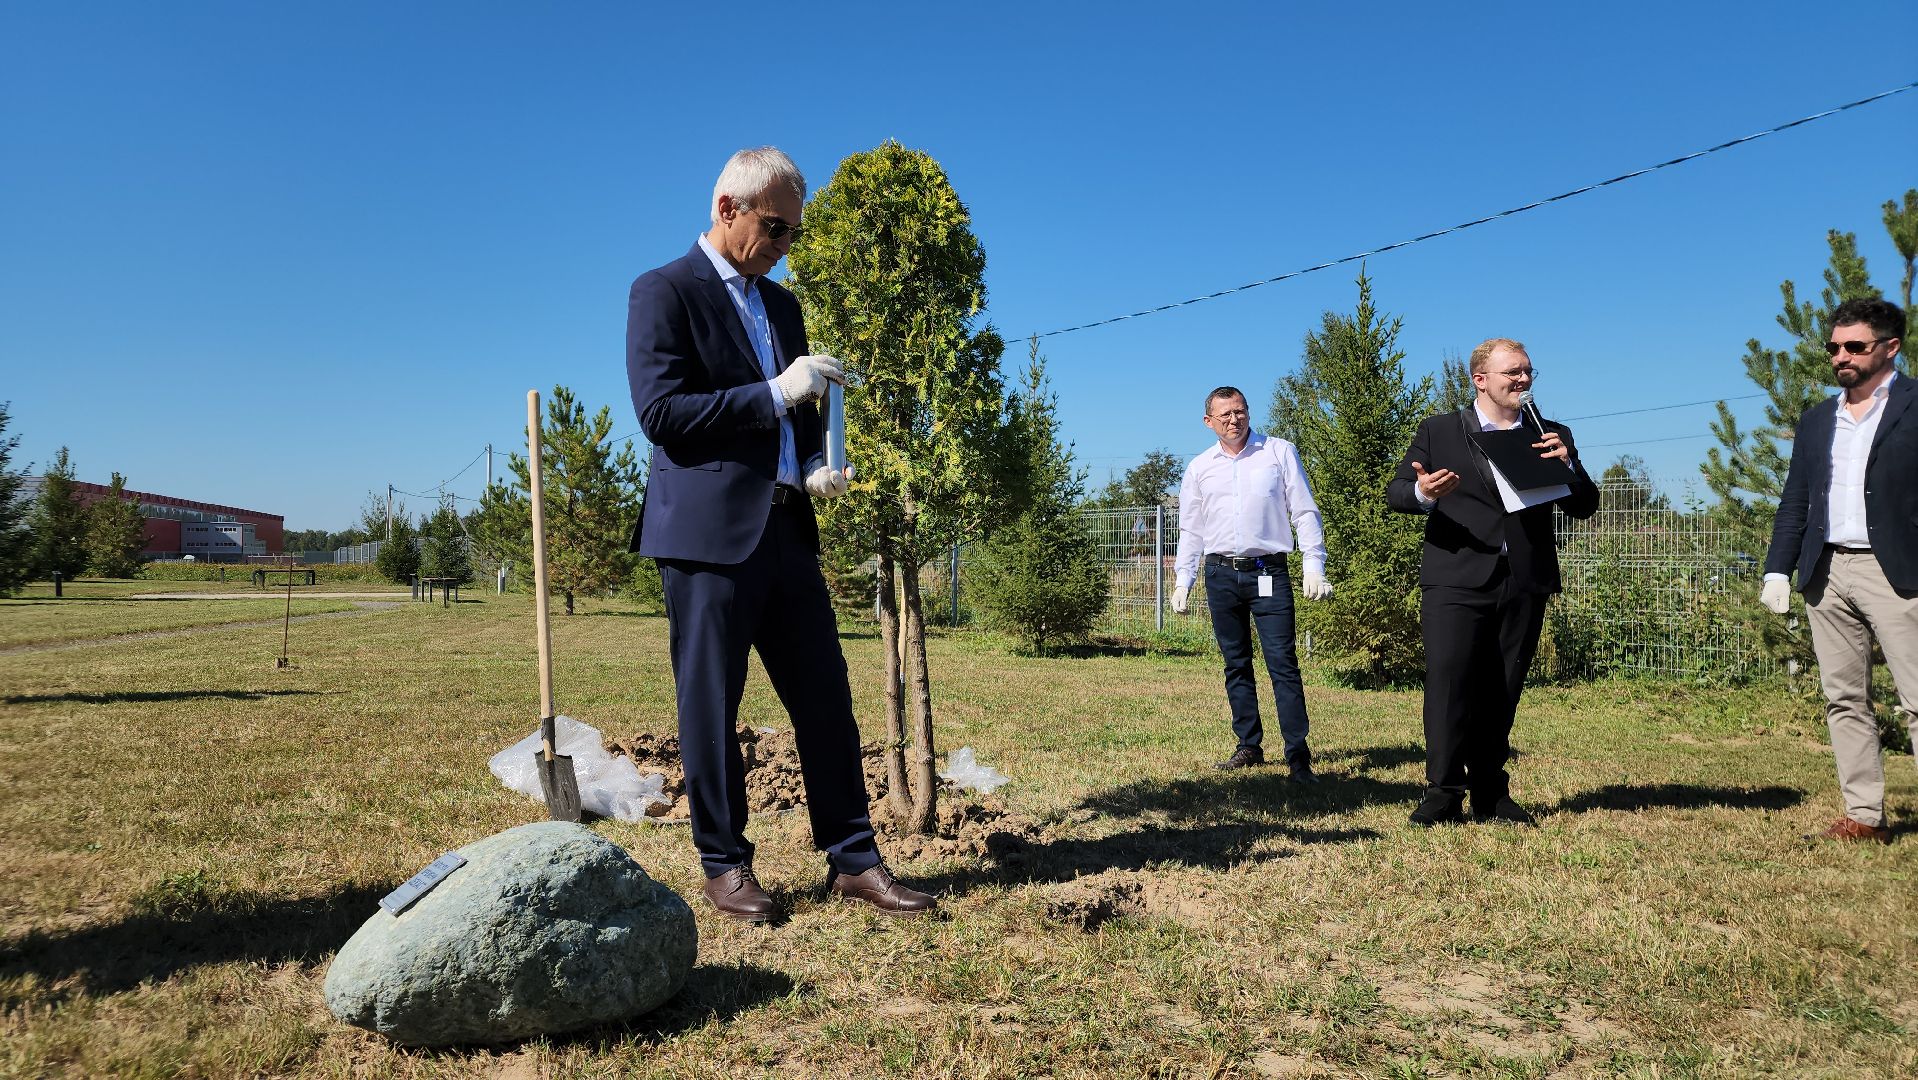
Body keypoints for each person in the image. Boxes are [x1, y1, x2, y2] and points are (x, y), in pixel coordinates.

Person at [625, 147, 934, 920]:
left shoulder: (782, 305)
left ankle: (853, 858)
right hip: (706, 538)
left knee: (827, 699)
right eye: (775, 228)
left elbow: (790, 414)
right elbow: (664, 416)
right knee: (711, 707)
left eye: (793, 233)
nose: (783, 245)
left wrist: (815, 461)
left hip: (788, 531)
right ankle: (725, 864)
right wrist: (773, 391)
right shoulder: (663, 292)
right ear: (727, 207)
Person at [1387, 338, 1597, 827]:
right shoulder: (1440, 431)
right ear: (1480, 379)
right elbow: (1397, 492)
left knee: (1503, 687)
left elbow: (1584, 506)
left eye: (1527, 371)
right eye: (1512, 372)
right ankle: (1442, 791)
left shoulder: (1550, 432)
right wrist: (1422, 492)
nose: (1522, 379)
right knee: (1449, 683)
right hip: (1455, 577)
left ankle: (1489, 792)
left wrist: (1567, 465)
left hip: (1523, 580)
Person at [1761, 298, 1913, 844]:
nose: (1841, 356)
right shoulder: (1818, 419)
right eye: (1833, 347)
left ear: (1890, 348)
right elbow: (1795, 500)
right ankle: (1864, 814)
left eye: (1855, 346)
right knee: (1844, 698)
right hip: (1827, 571)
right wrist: (1778, 569)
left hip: (1897, 573)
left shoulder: (1915, 407)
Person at [1171, 387, 1333, 779]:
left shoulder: (1278, 452)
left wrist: (1314, 564)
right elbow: (1191, 528)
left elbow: (1304, 509)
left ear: (1248, 413)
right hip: (1220, 575)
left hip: (1268, 572)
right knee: (1236, 664)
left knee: (1283, 664)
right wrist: (1182, 579)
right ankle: (1249, 746)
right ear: (1209, 422)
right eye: (1224, 414)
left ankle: (1298, 755)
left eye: (1240, 411)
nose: (1234, 419)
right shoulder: (1199, 468)